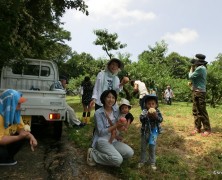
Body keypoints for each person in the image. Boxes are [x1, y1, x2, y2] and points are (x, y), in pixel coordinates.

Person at [87, 90, 134, 167]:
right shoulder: (98, 113)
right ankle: (93, 154)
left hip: (113, 139)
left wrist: (124, 124)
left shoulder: (116, 111)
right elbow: (101, 132)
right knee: (118, 160)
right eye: (108, 97)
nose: (111, 99)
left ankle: (111, 155)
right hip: (102, 140)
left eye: (113, 97)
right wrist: (116, 125)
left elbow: (127, 114)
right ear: (104, 98)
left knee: (130, 153)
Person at [0, 89, 38, 166]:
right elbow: (0, 140)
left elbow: (21, 129)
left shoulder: (15, 113)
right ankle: (3, 159)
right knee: (19, 138)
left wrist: (32, 137)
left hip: (4, 140)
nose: (20, 105)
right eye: (18, 103)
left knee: (23, 137)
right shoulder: (0, 117)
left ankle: (6, 158)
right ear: (9, 103)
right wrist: (18, 137)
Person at [138, 94, 163, 170]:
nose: (151, 105)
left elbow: (161, 120)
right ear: (145, 105)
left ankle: (152, 162)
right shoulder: (144, 111)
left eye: (153, 104)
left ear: (156, 105)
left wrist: (156, 116)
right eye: (149, 104)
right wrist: (147, 116)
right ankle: (142, 161)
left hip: (154, 133)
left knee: (152, 148)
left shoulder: (157, 111)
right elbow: (141, 119)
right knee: (143, 147)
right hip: (145, 132)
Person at [189, 54, 211, 136]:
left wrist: (191, 68)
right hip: (196, 91)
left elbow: (190, 76)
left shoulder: (200, 68)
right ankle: (197, 128)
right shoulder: (201, 68)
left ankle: (207, 129)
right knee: (195, 110)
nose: (194, 63)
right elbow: (195, 79)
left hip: (200, 92)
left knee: (201, 110)